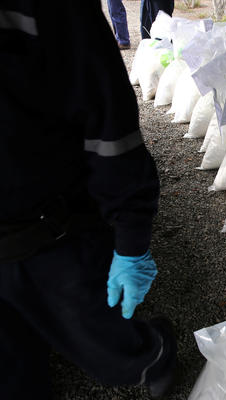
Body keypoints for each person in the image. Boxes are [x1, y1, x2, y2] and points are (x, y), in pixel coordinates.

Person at [0, 1, 177, 399]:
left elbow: (110, 127)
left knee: (104, 339)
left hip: (50, 231)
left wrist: (131, 239)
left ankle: (154, 356)